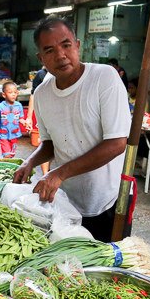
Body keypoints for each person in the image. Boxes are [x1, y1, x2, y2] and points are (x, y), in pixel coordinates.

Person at [12, 17, 131, 242]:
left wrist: (58, 174)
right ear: (41, 58)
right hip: (64, 201)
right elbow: (50, 144)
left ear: (77, 45)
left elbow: (117, 144)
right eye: (50, 50)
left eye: (66, 45)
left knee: (102, 268)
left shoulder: (104, 78)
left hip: (106, 203)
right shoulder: (43, 93)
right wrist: (30, 162)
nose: (60, 55)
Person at [21, 67, 51, 175]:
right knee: (45, 143)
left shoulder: (63, 74)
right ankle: (45, 174)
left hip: (60, 116)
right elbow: (33, 95)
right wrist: (29, 117)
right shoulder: (41, 75)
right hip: (44, 115)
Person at [0, 80, 24, 159]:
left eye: (15, 92)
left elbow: (20, 118)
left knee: (11, 154)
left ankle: (6, 167)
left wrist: (25, 123)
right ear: (4, 95)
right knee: (7, 155)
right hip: (3, 135)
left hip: (14, 134)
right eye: (10, 92)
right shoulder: (0, 107)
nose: (13, 94)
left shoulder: (19, 106)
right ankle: (5, 167)